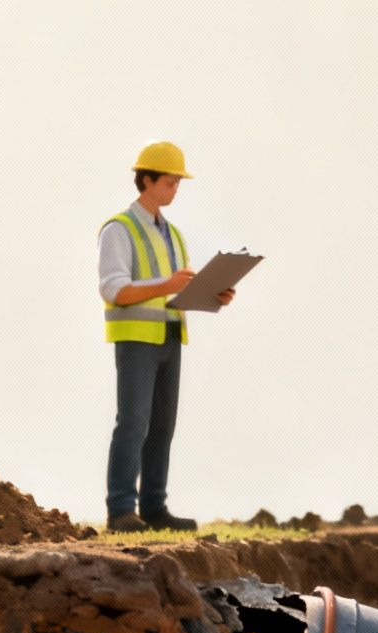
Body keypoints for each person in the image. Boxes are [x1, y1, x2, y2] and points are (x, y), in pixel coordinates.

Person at [98, 140, 235, 532]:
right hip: (137, 340)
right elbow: (114, 289)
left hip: (170, 337)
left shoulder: (173, 234)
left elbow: (174, 294)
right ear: (147, 180)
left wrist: (213, 296)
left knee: (162, 426)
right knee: (133, 423)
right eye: (171, 182)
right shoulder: (118, 230)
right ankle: (121, 509)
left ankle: (154, 507)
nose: (175, 189)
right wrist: (167, 284)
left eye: (178, 183)